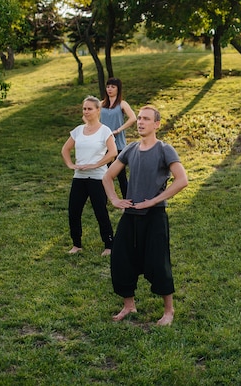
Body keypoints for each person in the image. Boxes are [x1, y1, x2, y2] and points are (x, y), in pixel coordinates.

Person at [102, 105, 188, 326]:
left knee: (158, 263)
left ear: (156, 124)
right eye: (139, 118)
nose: (140, 122)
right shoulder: (130, 149)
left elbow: (182, 180)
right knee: (121, 259)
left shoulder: (164, 150)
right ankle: (129, 305)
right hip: (130, 215)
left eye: (146, 119)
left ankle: (168, 311)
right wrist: (114, 199)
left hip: (155, 216)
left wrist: (154, 200)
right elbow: (108, 177)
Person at [61, 96, 117, 256]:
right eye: (84, 108)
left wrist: (95, 164)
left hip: (98, 178)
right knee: (74, 211)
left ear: (98, 110)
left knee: (101, 211)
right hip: (79, 177)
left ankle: (109, 245)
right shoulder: (78, 131)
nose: (86, 111)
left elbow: (113, 153)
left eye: (89, 108)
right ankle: (76, 245)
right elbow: (65, 150)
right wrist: (71, 165)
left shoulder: (104, 130)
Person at [101, 77, 137, 198]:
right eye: (108, 86)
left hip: (118, 145)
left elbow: (133, 118)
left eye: (113, 87)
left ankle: (127, 200)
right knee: (103, 174)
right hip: (103, 145)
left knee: (121, 175)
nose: (110, 89)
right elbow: (87, 116)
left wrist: (118, 130)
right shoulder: (101, 104)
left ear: (118, 89)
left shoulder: (122, 104)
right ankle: (103, 199)